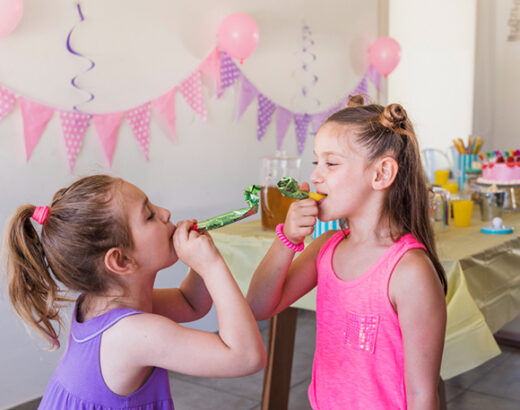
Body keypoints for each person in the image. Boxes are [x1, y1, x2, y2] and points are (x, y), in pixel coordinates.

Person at [247, 95, 447, 410]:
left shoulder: (409, 271)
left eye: (331, 163)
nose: (315, 176)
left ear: (381, 174)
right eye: (316, 162)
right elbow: (259, 306)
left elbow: (423, 395)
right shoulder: (325, 248)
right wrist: (286, 240)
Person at [4, 174, 266, 409]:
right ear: (121, 261)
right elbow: (246, 357)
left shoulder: (99, 303)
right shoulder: (131, 334)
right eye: (149, 215)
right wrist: (212, 266)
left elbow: (190, 303)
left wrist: (200, 264)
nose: (165, 213)